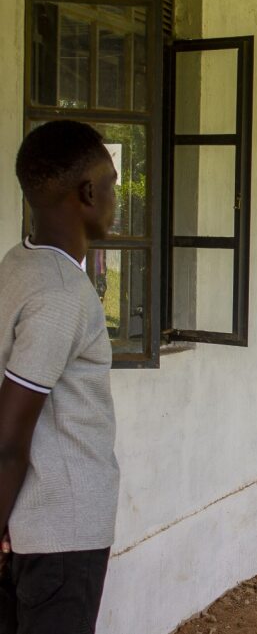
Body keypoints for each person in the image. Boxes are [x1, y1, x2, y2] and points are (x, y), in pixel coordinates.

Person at [0, 121, 120, 633]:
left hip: (32, 525)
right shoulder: (61, 294)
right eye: (112, 185)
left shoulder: (17, 263)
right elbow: (9, 437)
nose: (116, 200)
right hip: (60, 534)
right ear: (87, 193)